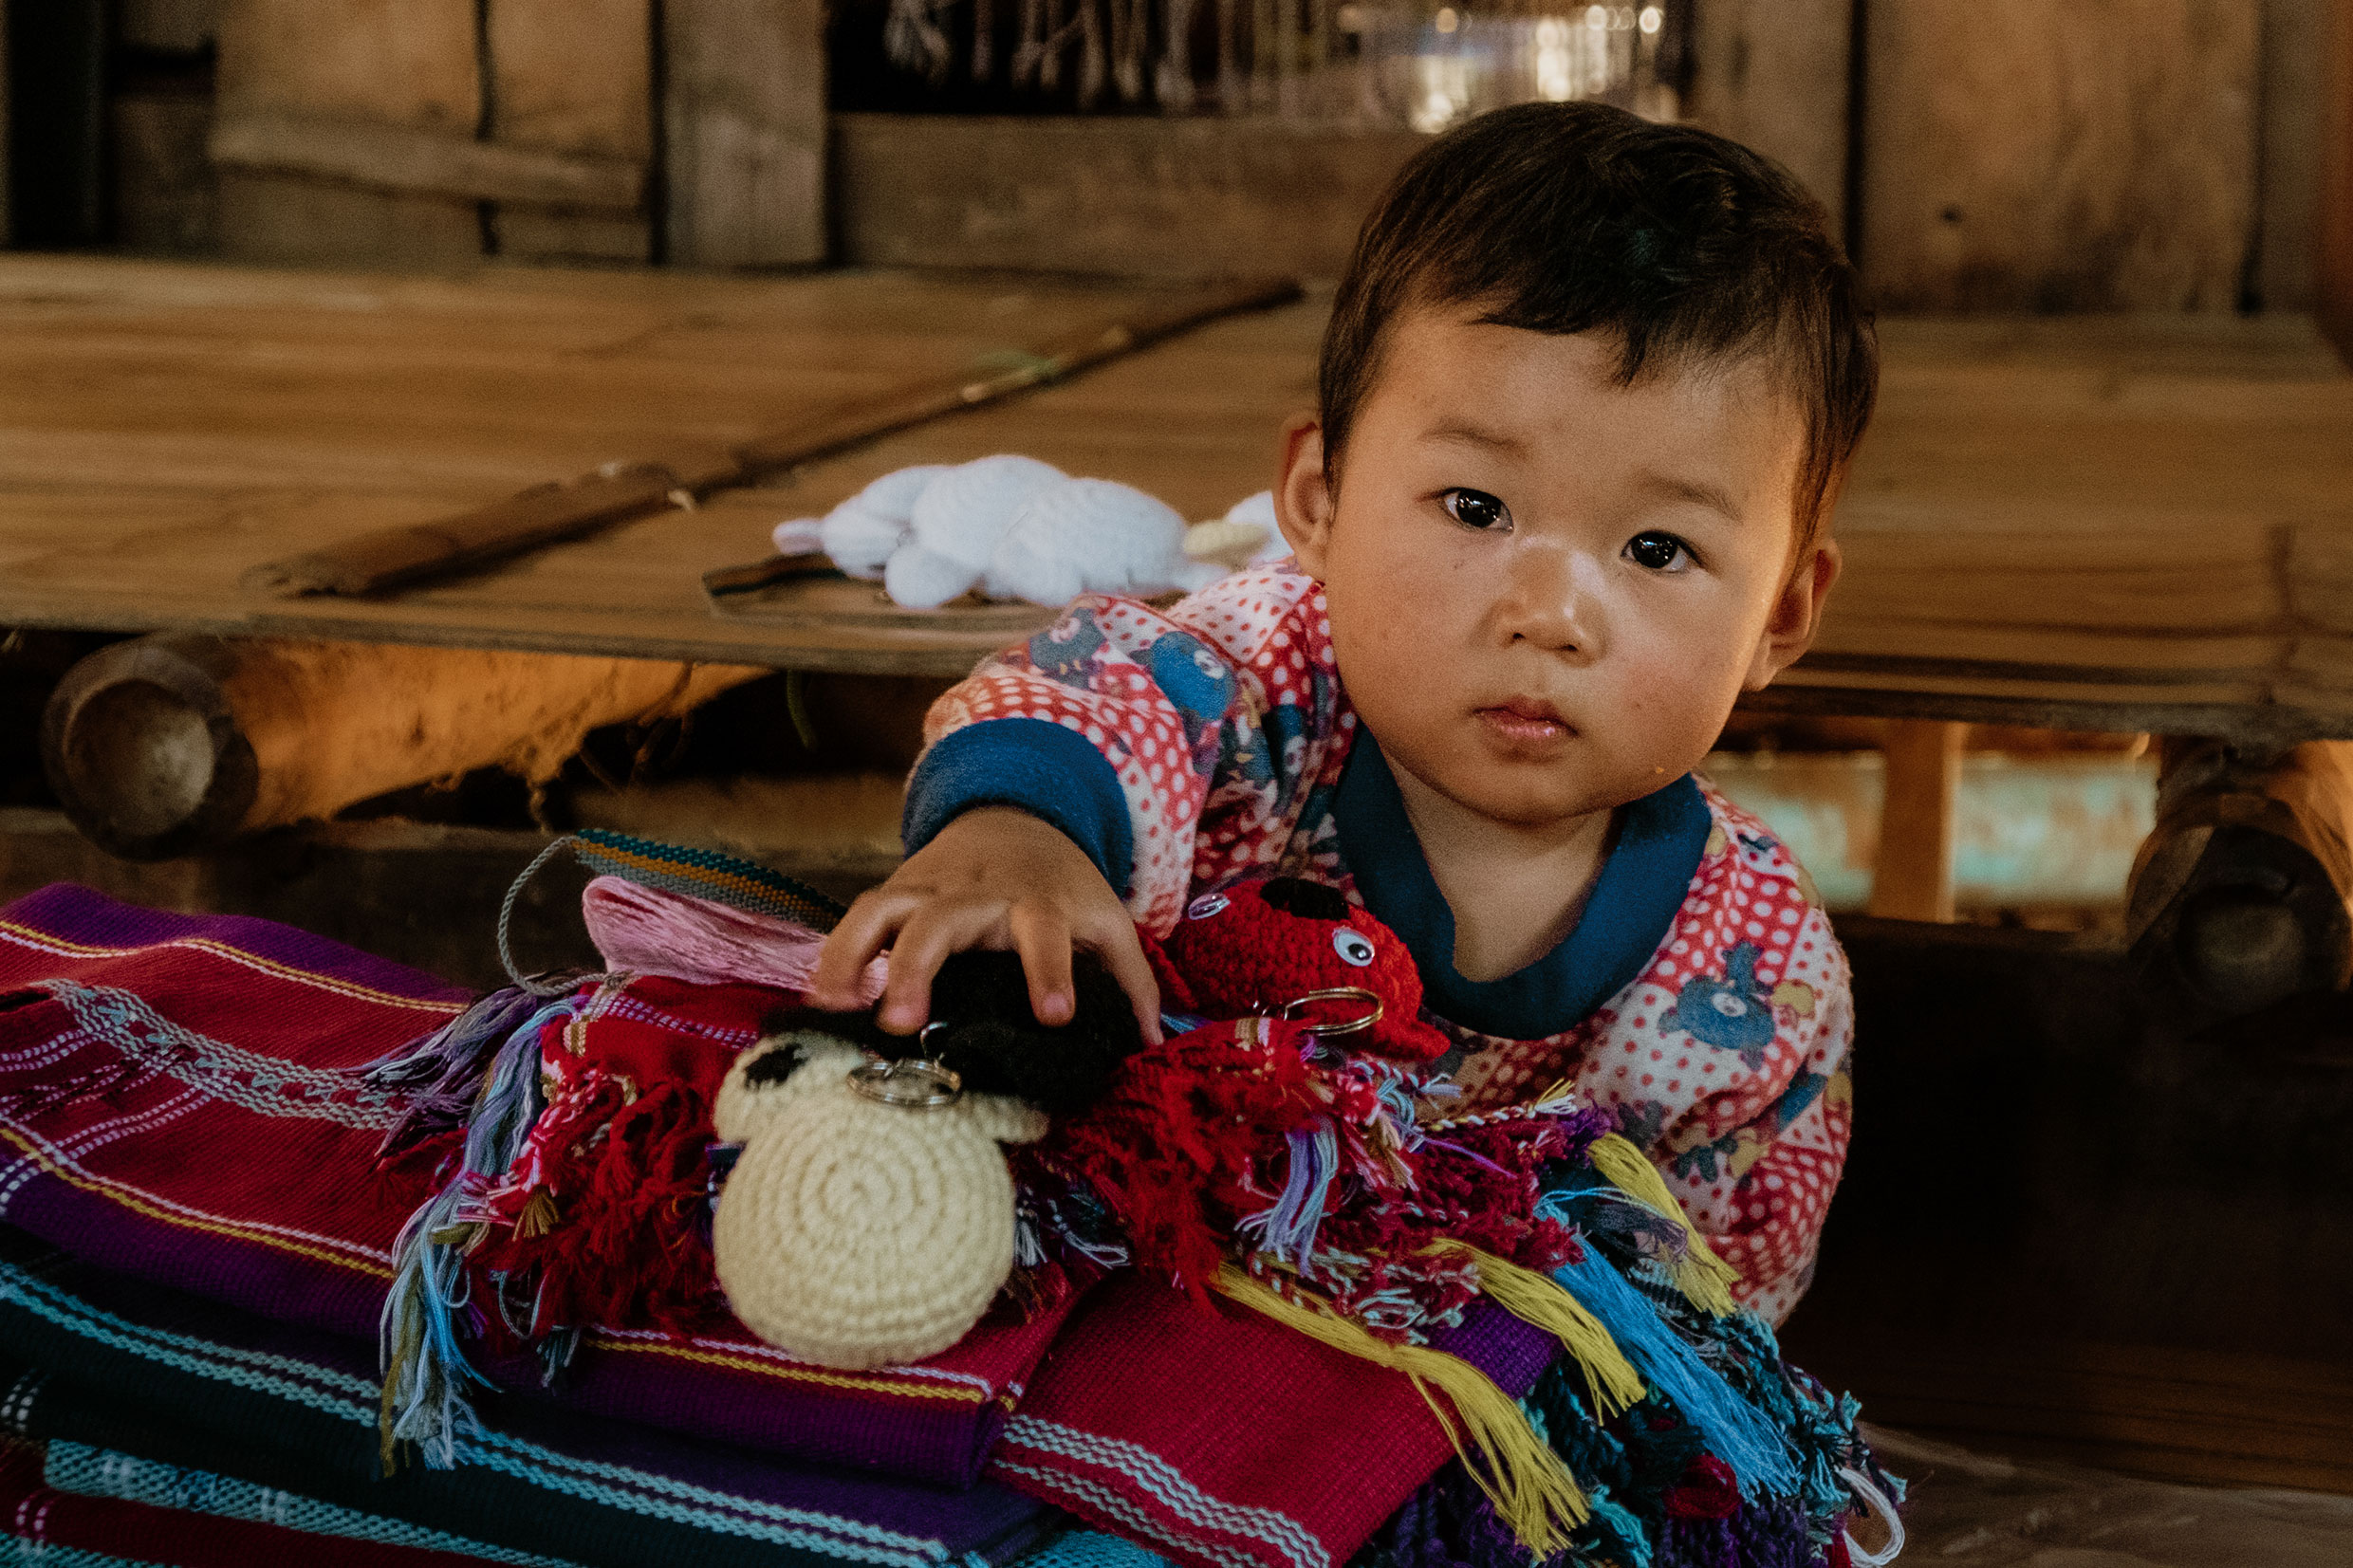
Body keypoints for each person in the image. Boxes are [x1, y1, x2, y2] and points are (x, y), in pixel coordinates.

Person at [812, 100, 1878, 1321]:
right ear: (1318, 498)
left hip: (1457, 1400)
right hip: (1120, 1267)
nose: (1552, 615)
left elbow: (1711, 1326)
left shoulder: (1759, 974)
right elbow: (1102, 682)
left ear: (1783, 615)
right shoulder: (1263, 686)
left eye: (1657, 547)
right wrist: (1018, 840)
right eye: (1475, 508)